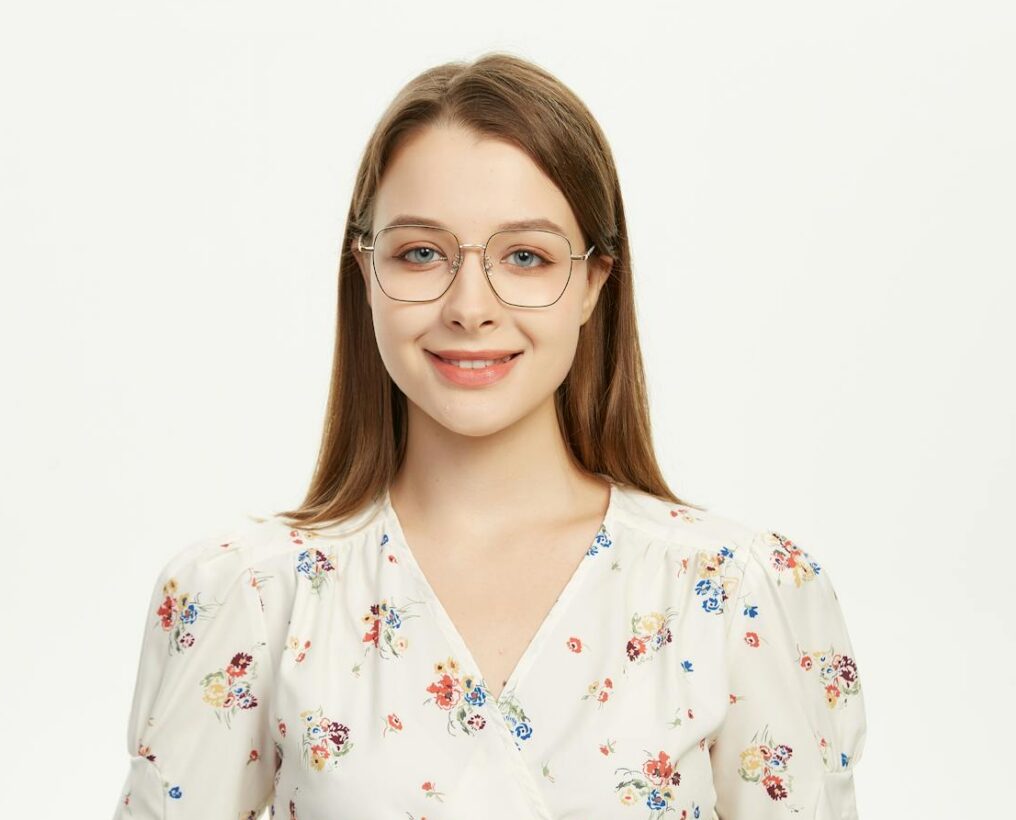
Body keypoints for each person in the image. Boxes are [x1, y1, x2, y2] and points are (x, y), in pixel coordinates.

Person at [112, 52, 866, 819]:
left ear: (594, 282)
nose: (470, 307)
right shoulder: (251, 594)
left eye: (526, 257)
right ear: (365, 271)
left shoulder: (736, 591)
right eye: (421, 253)